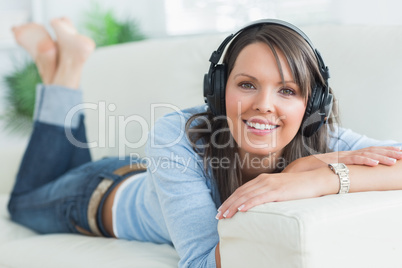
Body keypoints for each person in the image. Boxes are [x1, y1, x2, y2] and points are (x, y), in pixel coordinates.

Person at [7, 17, 402, 268]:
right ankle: (64, 71)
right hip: (95, 196)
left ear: (311, 104)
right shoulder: (176, 132)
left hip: (150, 178)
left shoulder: (317, 134)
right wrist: (302, 175)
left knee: (52, 172)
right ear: (218, 89)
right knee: (21, 202)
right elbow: (199, 262)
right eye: (247, 84)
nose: (265, 106)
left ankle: (56, 64)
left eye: (287, 90)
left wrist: (312, 177)